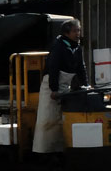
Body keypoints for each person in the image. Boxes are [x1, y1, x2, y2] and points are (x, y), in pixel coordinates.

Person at [33, 18, 87, 153]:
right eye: (75, 31)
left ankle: (59, 149)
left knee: (61, 119)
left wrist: (86, 85)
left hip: (64, 85)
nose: (78, 33)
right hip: (52, 85)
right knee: (48, 119)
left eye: (79, 30)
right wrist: (54, 89)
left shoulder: (76, 47)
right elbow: (53, 68)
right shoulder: (59, 46)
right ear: (67, 33)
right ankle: (43, 151)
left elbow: (81, 68)